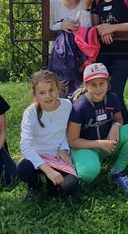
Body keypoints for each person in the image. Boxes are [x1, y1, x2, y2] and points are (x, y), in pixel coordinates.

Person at [68, 63, 128, 193]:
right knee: (88, 174)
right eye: (93, 84)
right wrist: (99, 144)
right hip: (85, 148)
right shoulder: (80, 106)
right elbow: (72, 141)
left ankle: (118, 171)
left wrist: (116, 125)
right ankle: (77, 169)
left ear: (108, 83)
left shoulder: (112, 98)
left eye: (101, 83)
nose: (98, 89)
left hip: (107, 143)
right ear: (86, 85)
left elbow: (119, 119)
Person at [18, 70, 79, 200]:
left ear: (59, 88)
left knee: (71, 186)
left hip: (57, 155)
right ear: (35, 94)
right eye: (42, 93)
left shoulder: (67, 105)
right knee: (23, 169)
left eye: (51, 90)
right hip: (37, 155)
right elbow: (25, 146)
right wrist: (48, 170)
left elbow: (68, 130)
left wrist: (63, 147)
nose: (48, 96)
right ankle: (35, 185)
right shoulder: (30, 113)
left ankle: (53, 187)